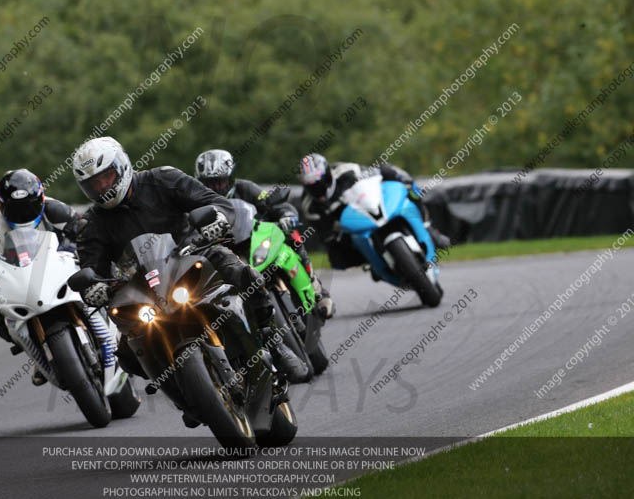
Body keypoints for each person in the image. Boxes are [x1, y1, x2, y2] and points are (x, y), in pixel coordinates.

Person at [71, 137, 309, 389]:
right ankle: (179, 388)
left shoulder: (163, 179)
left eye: (106, 177)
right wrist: (93, 289)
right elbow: (90, 270)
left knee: (242, 272)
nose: (103, 186)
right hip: (141, 288)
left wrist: (217, 218)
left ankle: (273, 342)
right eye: (94, 184)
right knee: (127, 355)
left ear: (122, 166)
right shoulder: (91, 223)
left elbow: (216, 201)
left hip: (191, 256)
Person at [0, 169, 100, 386]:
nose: (23, 214)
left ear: (40, 200)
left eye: (28, 207)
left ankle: (117, 328)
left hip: (63, 268)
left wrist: (77, 250)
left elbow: (85, 232)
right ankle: (38, 350)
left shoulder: (56, 210)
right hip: (24, 283)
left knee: (97, 281)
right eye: (15, 210)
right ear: (2, 207)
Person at [194, 149, 335, 318]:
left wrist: (286, 214)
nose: (216, 188)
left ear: (230, 178)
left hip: (253, 239)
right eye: (210, 183)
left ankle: (315, 285)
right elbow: (187, 230)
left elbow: (272, 204)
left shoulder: (246, 188)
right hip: (223, 253)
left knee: (290, 234)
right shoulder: (195, 201)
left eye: (220, 182)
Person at [297, 154, 450, 271]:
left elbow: (376, 176)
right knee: (337, 260)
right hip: (351, 224)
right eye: (310, 186)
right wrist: (336, 233)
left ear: (327, 173)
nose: (317, 188)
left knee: (396, 175)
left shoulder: (347, 170)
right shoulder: (309, 206)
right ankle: (373, 261)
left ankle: (428, 227)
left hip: (369, 203)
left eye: (319, 181)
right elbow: (326, 235)